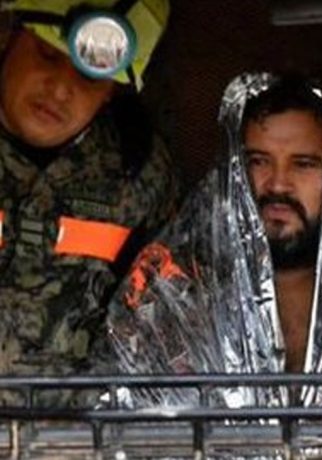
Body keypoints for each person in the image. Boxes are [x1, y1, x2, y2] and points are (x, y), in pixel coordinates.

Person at [107, 73, 322, 408]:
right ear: (234, 171)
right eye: (258, 161)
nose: (278, 184)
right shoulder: (173, 291)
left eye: (303, 164)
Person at [0, 0, 177, 397]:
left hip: (78, 427)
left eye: (90, 76)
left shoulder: (139, 170)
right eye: (47, 54)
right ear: (9, 36)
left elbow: (162, 323)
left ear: (112, 90)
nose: (60, 89)